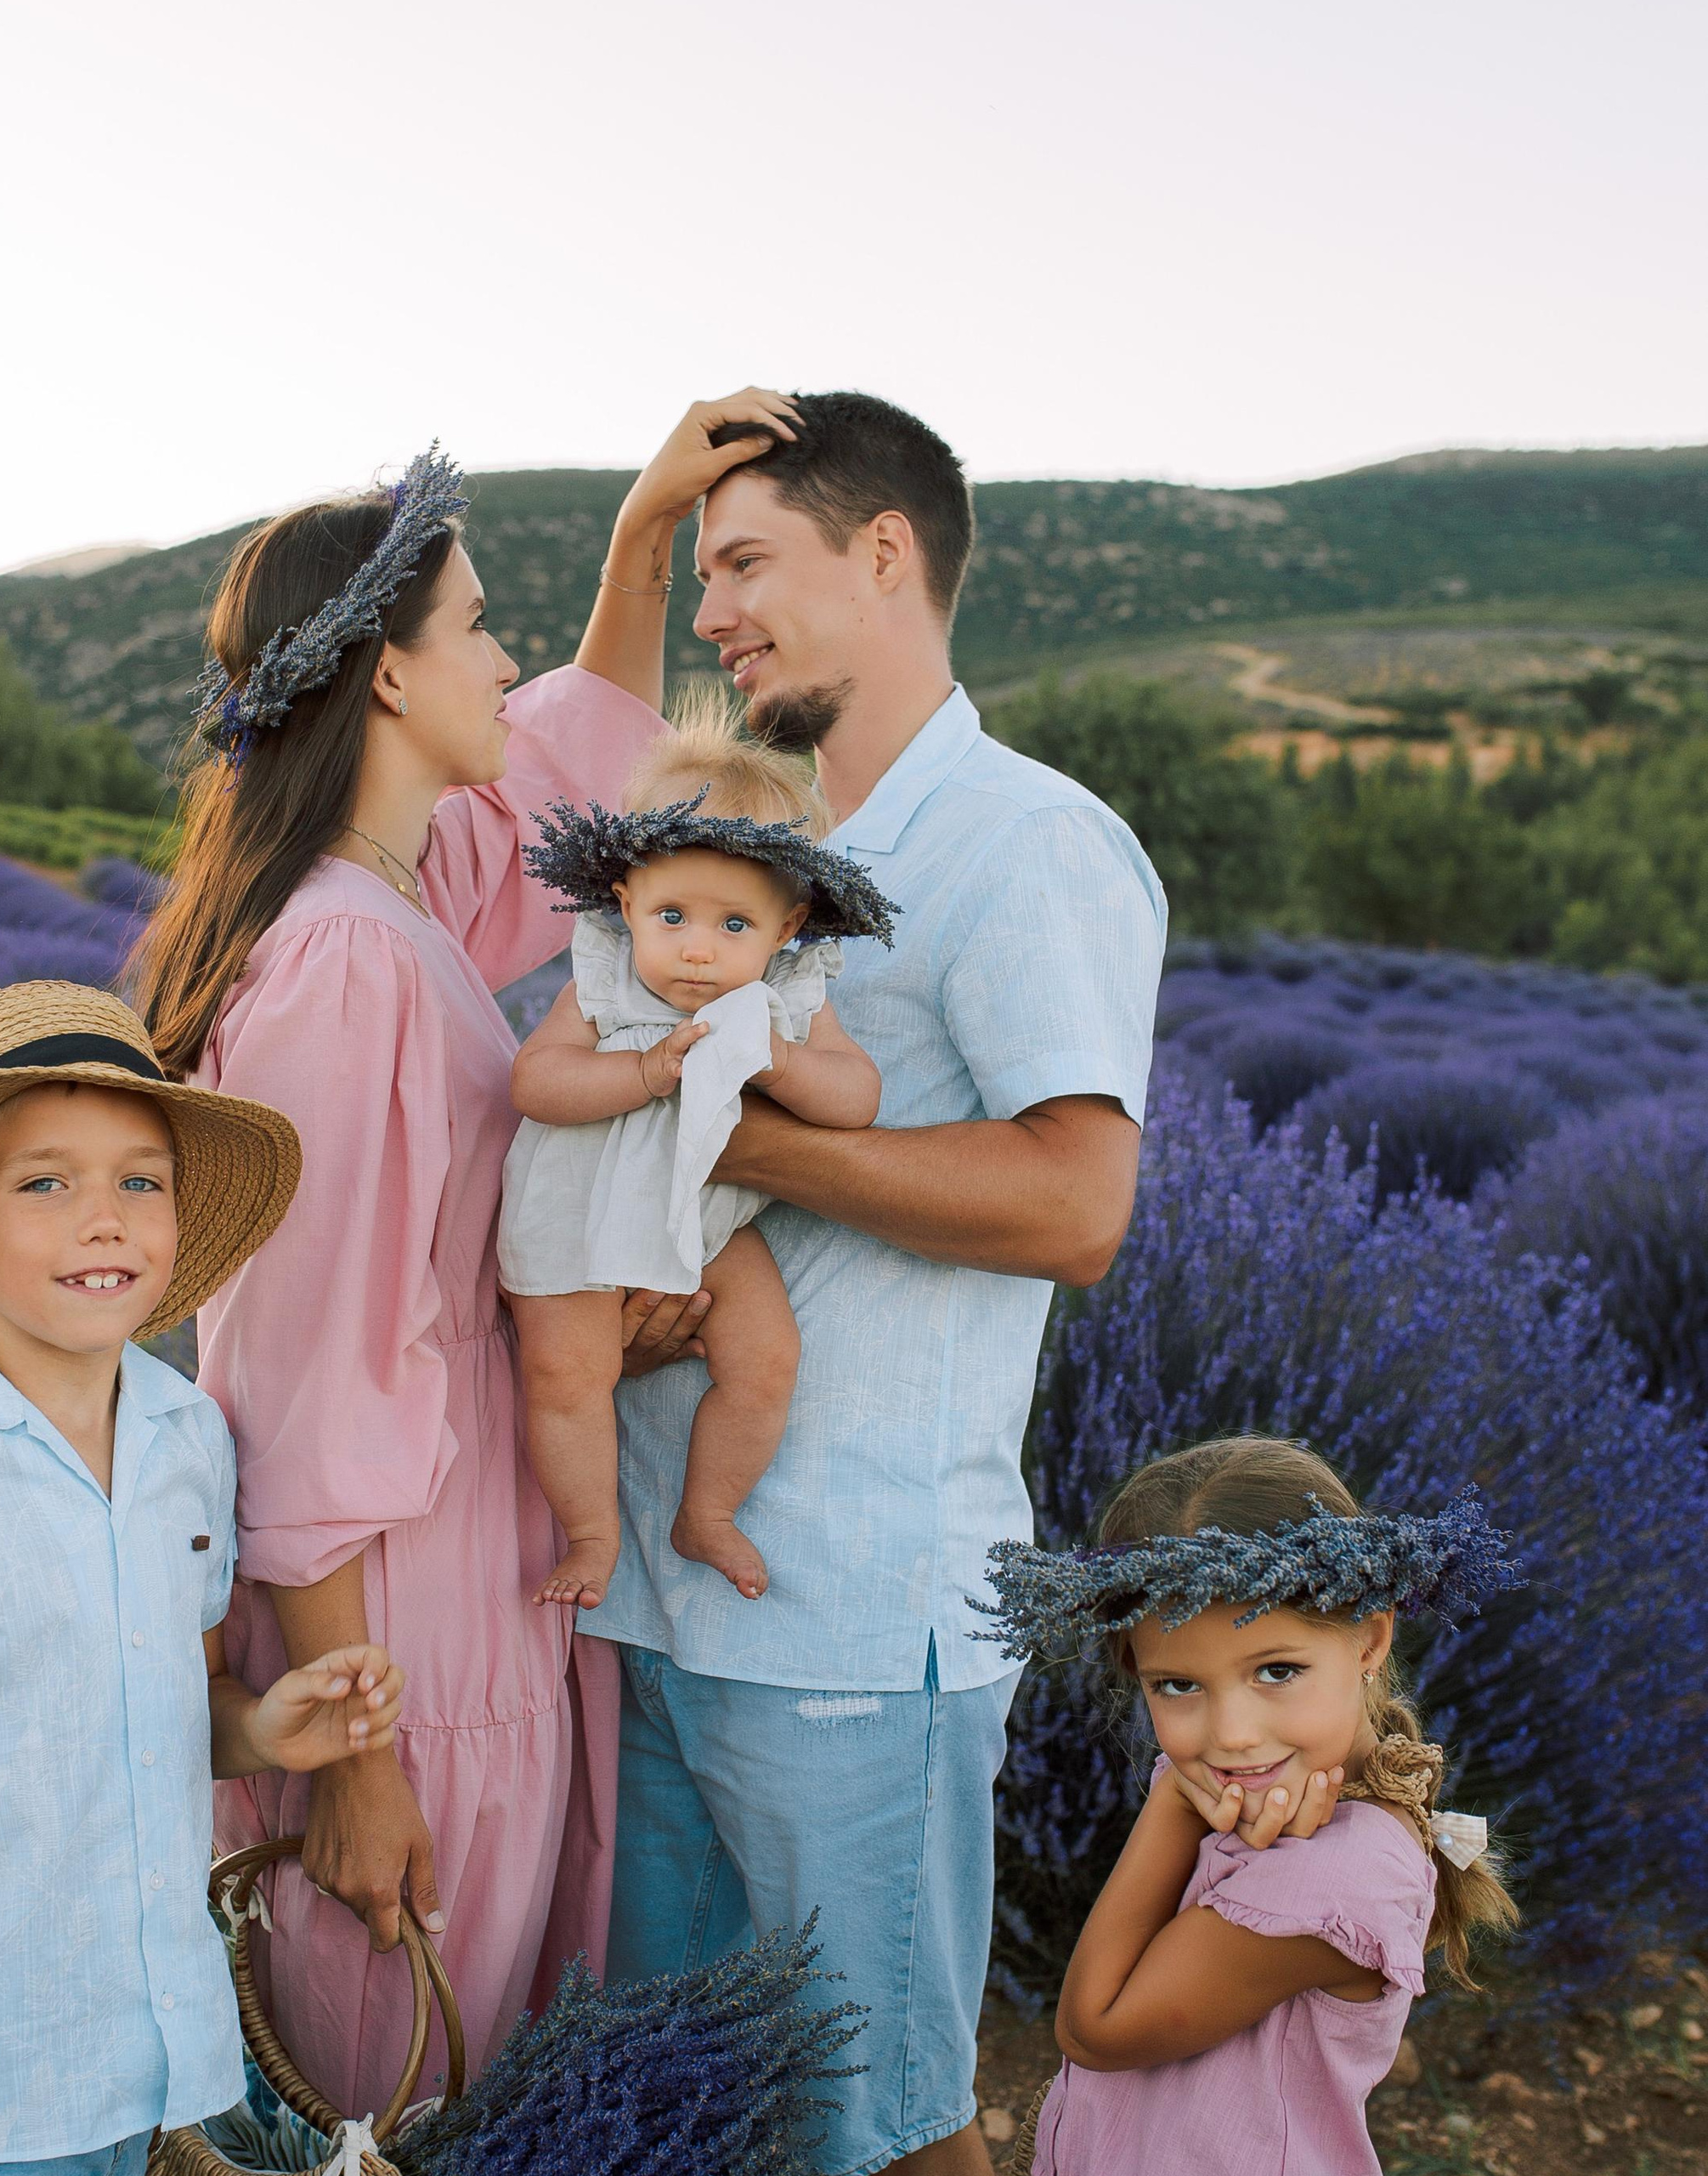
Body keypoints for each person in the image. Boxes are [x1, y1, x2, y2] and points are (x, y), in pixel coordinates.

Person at [128, 394, 802, 2119]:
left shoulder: (403, 893)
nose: (503, 662)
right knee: (390, 2079)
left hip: (462, 1577)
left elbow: (578, 753)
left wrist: (643, 535)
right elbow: (297, 1370)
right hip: (399, 1627)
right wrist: (355, 1757)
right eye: (476, 627)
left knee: (455, 2063)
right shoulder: (348, 963)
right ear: (384, 678)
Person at [590, 389, 1169, 2176]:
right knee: (677, 2102)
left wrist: (745, 1152)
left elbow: (1077, 1200)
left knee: (880, 2120)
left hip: (847, 1614)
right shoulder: (739, 844)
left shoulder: (1024, 842)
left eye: (746, 561)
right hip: (650, 1587)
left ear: (886, 554)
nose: (716, 613)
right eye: (701, 576)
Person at [0, 983, 406, 2176]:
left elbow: (179, 1698)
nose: (104, 1219)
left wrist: (269, 1728)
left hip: (149, 2060)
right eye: (45, 1183)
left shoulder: (189, 1441)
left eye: (140, 1181)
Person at [976, 1435, 1523, 2176]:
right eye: (1177, 1685)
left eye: (1276, 1670)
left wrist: (1171, 1802)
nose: (1232, 1735)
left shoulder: (1334, 1873)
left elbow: (1094, 2030)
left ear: (1369, 1639)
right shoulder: (1277, 1802)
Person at [500, 703, 889, 1606]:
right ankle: (591, 1534)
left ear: (788, 927)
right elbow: (536, 1080)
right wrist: (642, 1072)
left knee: (765, 1359)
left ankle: (707, 1511)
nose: (699, 952)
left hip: (710, 1209)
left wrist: (783, 1063)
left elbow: (857, 1097)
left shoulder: (789, 992)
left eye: (733, 926)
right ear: (627, 898)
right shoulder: (606, 971)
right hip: (582, 1201)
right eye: (671, 914)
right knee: (567, 1375)